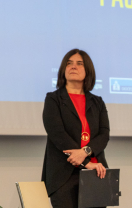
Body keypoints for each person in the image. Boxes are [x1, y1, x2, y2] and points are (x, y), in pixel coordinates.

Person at [42, 49, 110, 208]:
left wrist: (85, 152)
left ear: (88, 71)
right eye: (69, 63)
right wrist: (85, 162)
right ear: (63, 70)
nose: (73, 66)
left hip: (96, 173)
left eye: (79, 64)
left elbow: (104, 135)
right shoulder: (53, 99)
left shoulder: (97, 102)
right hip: (64, 175)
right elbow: (57, 134)